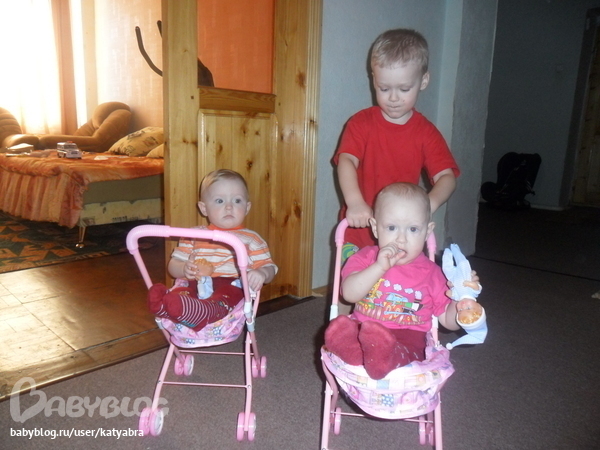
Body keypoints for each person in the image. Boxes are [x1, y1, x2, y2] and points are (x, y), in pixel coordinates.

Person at [324, 183, 482, 380]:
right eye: (391, 227)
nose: (401, 239)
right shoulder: (364, 258)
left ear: (427, 231)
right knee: (346, 331)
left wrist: (461, 298)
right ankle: (356, 354)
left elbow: (449, 323)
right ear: (375, 228)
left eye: (413, 229)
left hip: (408, 338)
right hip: (363, 327)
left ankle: (381, 357)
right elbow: (349, 294)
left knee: (407, 351)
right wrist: (378, 267)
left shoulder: (433, 273)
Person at [334, 28, 459, 253]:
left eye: (404, 89)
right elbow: (346, 161)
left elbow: (447, 178)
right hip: (358, 234)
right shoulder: (361, 123)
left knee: (402, 278)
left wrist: (426, 206)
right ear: (374, 80)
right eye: (384, 88)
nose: (393, 98)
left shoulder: (426, 133)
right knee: (356, 277)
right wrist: (355, 202)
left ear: (423, 81)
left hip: (401, 240)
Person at [147, 169, 278, 331]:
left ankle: (202, 312)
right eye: (219, 201)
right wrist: (183, 268)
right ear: (204, 208)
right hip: (194, 282)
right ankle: (166, 306)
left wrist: (262, 273)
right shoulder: (194, 235)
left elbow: (269, 267)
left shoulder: (252, 239)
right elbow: (173, 266)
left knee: (225, 298)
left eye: (237, 200)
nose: (229, 207)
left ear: (247, 207)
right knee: (181, 292)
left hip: (230, 285)